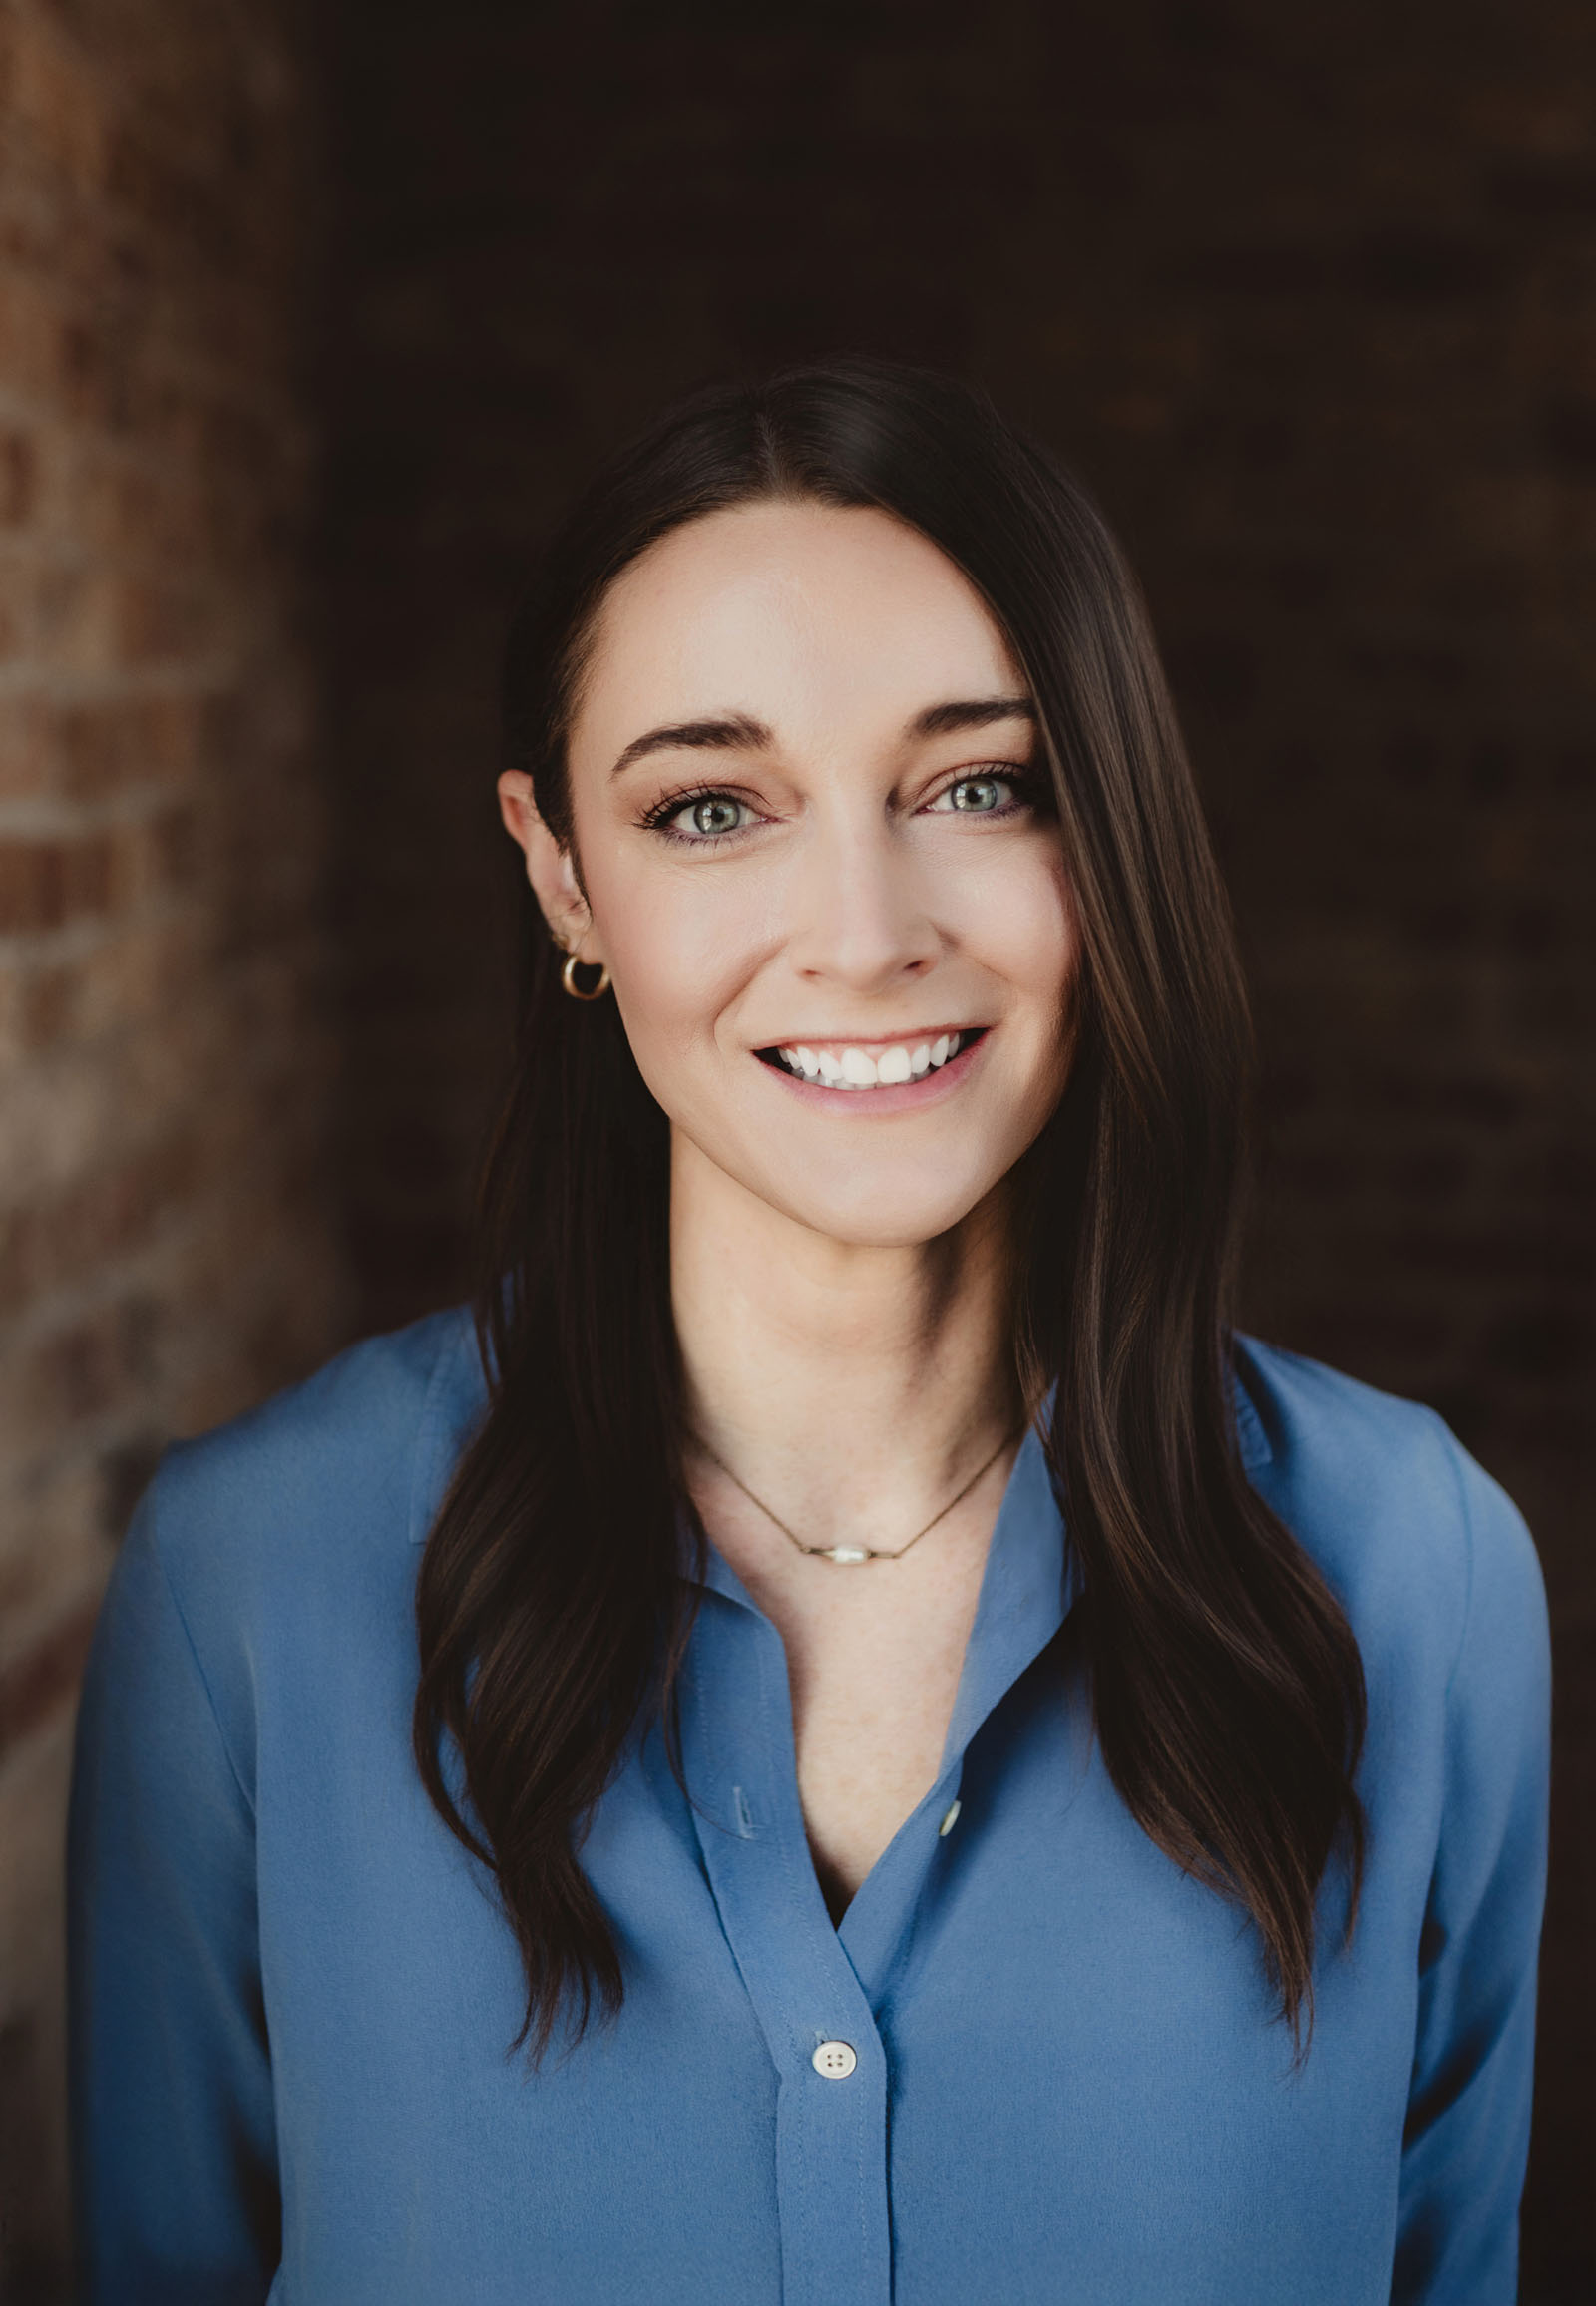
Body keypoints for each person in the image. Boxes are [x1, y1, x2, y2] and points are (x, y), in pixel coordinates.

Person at [67, 359, 1550, 2305]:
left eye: (978, 785)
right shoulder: (250, 1585)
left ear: (1109, 831)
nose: (860, 928)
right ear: (560, 877)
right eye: (709, 806)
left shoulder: (1413, 1569)